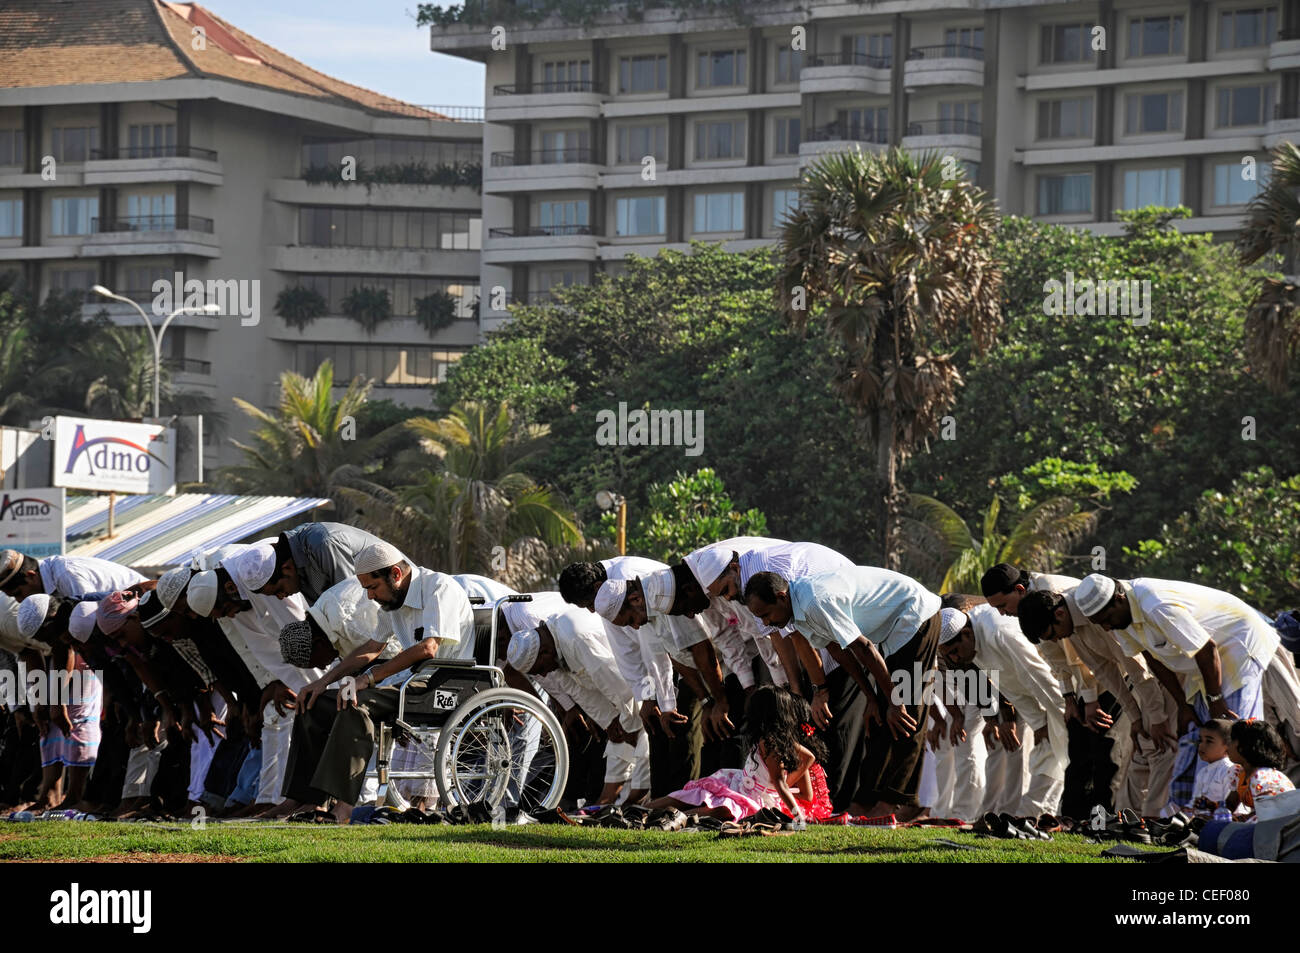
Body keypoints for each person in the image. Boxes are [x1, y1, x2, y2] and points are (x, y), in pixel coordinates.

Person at [744, 565, 941, 820]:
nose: (766, 623)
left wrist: (894, 700)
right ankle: (866, 800)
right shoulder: (798, 614)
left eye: (767, 614)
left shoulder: (815, 602)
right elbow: (838, 651)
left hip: (916, 616)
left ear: (782, 596)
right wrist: (871, 698)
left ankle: (894, 802)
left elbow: (865, 648)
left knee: (906, 713)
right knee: (879, 717)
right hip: (892, 632)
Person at [296, 541, 474, 822]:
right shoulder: (393, 602)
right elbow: (372, 647)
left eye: (372, 587)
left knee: (356, 703)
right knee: (318, 703)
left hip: (444, 681)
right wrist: (323, 682)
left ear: (395, 574)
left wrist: (368, 678)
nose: (368, 596)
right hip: (414, 681)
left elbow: (429, 648)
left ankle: (343, 809)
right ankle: (309, 803)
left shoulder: (439, 587)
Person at [1077, 573, 1289, 807]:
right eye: (1101, 623)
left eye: (1107, 618)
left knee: (1235, 736)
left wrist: (1216, 699)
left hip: (1237, 645)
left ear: (1119, 599)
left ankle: (1244, 813)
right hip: (1203, 664)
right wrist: (1183, 705)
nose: (1107, 627)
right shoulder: (1119, 619)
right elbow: (1153, 660)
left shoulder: (1156, 605)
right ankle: (1202, 815)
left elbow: (1207, 649)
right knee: (1199, 736)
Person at [1017, 588, 1179, 817]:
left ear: (1060, 614)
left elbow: (1135, 667)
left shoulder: (1093, 611)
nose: (1057, 640)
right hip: (1128, 679)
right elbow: (1102, 669)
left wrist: (1157, 716)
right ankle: (1121, 819)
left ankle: (1151, 820)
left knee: (1158, 743)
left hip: (1169, 666)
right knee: (1140, 744)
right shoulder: (1063, 622)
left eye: (1053, 634)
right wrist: (1134, 717)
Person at [939, 603, 1068, 818]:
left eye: (953, 652)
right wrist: (998, 719)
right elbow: (995, 682)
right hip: (1020, 693)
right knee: (1035, 747)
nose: (953, 658)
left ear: (967, 634)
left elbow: (1036, 674)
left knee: (1052, 744)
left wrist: (1063, 711)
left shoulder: (999, 632)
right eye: (948, 655)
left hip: (1054, 683)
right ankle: (1014, 814)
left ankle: (1032, 815)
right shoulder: (965, 646)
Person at [647, 686, 830, 823]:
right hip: (738, 785)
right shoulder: (770, 742)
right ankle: (646, 811)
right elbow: (783, 781)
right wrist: (792, 809)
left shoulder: (777, 744)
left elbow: (800, 768)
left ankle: (662, 816)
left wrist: (777, 795)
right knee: (696, 796)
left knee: (722, 809)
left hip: (750, 797)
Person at [240, 522, 387, 605]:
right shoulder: (297, 571)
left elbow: (354, 600)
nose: (281, 596)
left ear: (287, 568)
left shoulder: (323, 543)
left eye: (279, 590)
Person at [0, 550, 143, 602]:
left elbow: (89, 618)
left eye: (18, 593)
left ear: (31, 575)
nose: (19, 601)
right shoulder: (52, 576)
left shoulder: (66, 575)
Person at [1228, 719, 1296, 815]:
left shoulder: (1261, 777)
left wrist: (1242, 820)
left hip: (1281, 822)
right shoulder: (1239, 774)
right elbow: (1230, 804)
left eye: (1232, 739)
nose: (1227, 745)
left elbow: (1266, 812)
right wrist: (1212, 806)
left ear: (1245, 746)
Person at [1188, 718, 1238, 815]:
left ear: (1227, 745)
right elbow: (1194, 803)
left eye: (1209, 741)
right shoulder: (1203, 772)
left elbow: (1232, 808)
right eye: (1200, 740)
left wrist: (1212, 806)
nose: (1201, 745)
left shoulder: (1230, 770)